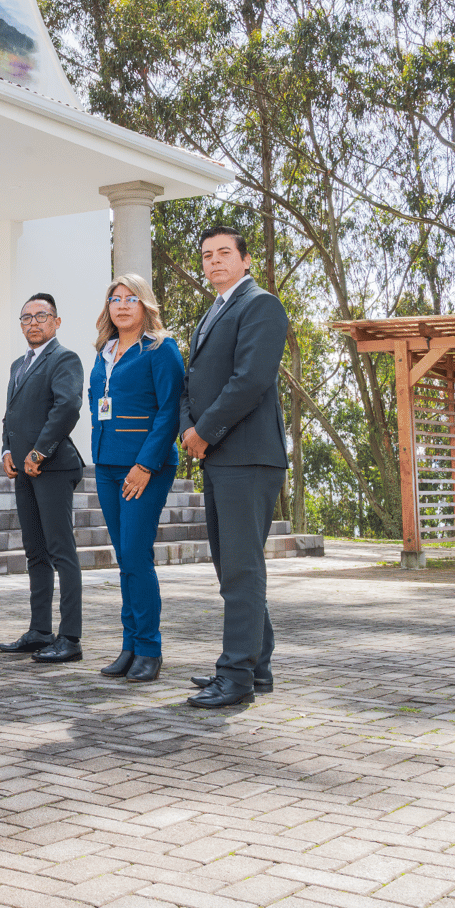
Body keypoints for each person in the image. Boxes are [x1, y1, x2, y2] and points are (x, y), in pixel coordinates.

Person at [180, 227, 290, 708]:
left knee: (242, 569)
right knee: (231, 568)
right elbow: (192, 381)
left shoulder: (261, 305)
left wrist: (203, 431)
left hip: (248, 455)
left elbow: (251, 380)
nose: (215, 261)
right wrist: (188, 428)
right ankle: (258, 666)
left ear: (246, 260)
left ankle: (236, 676)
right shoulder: (213, 312)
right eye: (207, 256)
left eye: (225, 253)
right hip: (219, 456)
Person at [88, 275, 185, 685]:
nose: (122, 305)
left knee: (136, 553)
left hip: (146, 467)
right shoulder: (103, 351)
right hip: (108, 464)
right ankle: (129, 646)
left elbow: (169, 410)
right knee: (125, 557)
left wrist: (146, 464)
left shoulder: (161, 349)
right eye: (115, 299)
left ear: (146, 305)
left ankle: (149, 649)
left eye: (131, 299)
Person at [0, 293, 87, 665]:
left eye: (41, 316)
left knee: (60, 551)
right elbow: (11, 414)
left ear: (56, 321)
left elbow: (67, 407)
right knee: (35, 552)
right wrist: (6, 450)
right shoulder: (19, 363)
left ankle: (70, 638)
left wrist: (39, 452)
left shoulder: (64, 359)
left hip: (52, 467)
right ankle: (39, 631)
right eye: (26, 317)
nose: (33, 323)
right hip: (23, 469)